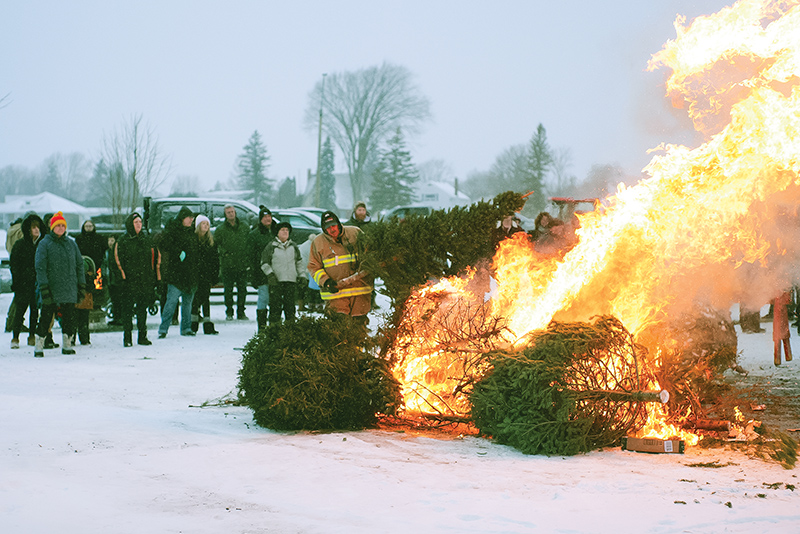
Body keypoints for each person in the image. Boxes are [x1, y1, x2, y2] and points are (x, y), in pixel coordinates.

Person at [34, 211, 84, 357]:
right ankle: (39, 344)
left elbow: (79, 265)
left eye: (63, 225)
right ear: (52, 227)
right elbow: (40, 267)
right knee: (46, 316)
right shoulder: (44, 244)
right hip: (51, 287)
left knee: (69, 317)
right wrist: (43, 286)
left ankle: (67, 344)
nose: (61, 228)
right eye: (58, 225)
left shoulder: (71, 244)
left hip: (69, 287)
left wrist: (81, 284)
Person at [307, 211, 372, 320]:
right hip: (336, 294)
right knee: (339, 328)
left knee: (359, 327)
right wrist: (326, 281)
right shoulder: (318, 242)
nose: (332, 229)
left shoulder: (355, 233)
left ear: (338, 224)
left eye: (333, 226)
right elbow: (314, 267)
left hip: (360, 291)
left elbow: (370, 253)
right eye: (328, 228)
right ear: (323, 229)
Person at [116, 212, 159, 346]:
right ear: (130, 224)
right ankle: (127, 337)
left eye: (140, 222)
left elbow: (154, 259)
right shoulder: (123, 240)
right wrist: (123, 277)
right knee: (127, 310)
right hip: (128, 281)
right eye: (136, 222)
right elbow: (117, 261)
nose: (139, 225)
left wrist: (154, 279)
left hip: (144, 280)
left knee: (142, 309)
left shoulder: (146, 240)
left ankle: (142, 336)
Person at [158, 207, 198, 338]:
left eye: (192, 218)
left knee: (187, 304)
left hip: (190, 274)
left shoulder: (192, 232)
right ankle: (163, 328)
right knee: (171, 302)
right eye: (189, 217)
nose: (191, 220)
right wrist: (177, 252)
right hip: (176, 274)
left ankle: (186, 328)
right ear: (182, 218)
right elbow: (165, 244)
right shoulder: (173, 231)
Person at [9, 212, 44, 349]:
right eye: (33, 227)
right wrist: (17, 281)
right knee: (20, 312)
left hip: (36, 284)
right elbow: (14, 265)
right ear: (28, 229)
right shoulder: (20, 245)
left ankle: (31, 335)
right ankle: (15, 337)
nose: (36, 230)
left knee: (35, 312)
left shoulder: (41, 244)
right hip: (23, 284)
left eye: (38, 227)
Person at [261, 221, 306, 325]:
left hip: (291, 281)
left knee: (290, 307)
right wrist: (270, 275)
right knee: (275, 307)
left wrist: (302, 276)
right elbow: (264, 263)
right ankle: (274, 330)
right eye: (282, 230)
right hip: (276, 282)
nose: (285, 232)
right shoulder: (271, 246)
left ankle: (289, 331)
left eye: (287, 230)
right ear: (277, 232)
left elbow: (299, 262)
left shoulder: (294, 246)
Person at [214, 204, 251, 321]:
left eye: (232, 211)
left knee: (242, 290)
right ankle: (229, 312)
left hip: (242, 264)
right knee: (228, 290)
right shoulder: (220, 229)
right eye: (228, 212)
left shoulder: (244, 227)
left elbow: (250, 243)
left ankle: (241, 312)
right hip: (228, 264)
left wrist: (247, 258)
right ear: (225, 214)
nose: (231, 214)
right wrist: (224, 253)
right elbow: (216, 245)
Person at [247, 206, 276, 332]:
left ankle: (275, 325)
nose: (267, 219)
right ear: (260, 219)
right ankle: (262, 327)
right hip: (261, 272)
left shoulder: (277, 231)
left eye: (269, 216)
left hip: (277, 272)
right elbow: (251, 256)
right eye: (264, 217)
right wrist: (253, 274)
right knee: (263, 298)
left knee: (275, 300)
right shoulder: (254, 235)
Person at [192, 215, 220, 335]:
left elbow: (215, 260)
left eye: (207, 224)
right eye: (203, 224)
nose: (206, 226)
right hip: (195, 274)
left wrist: (214, 275)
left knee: (205, 298)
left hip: (206, 274)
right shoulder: (193, 240)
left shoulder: (211, 242)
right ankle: (193, 323)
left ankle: (207, 323)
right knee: (195, 298)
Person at [73, 255, 96, 345]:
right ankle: (84, 338)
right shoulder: (89, 276)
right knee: (84, 320)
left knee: (73, 319)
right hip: (86, 298)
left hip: (76, 298)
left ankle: (72, 338)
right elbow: (92, 287)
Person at [103, 234, 125, 326]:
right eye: (109, 241)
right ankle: (116, 317)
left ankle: (120, 317)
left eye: (112, 240)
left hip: (116, 279)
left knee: (119, 299)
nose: (110, 243)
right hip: (110, 278)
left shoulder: (118, 252)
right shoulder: (107, 252)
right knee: (114, 299)